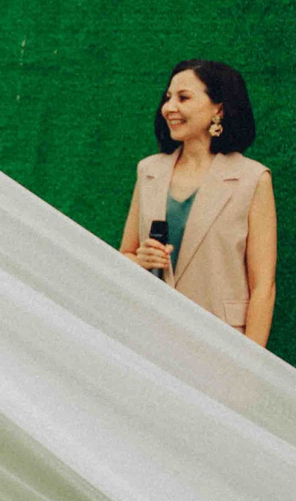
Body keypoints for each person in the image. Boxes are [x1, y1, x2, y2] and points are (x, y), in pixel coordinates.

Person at [118, 58, 277, 346]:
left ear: (219, 109)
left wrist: (250, 364)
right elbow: (125, 254)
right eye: (168, 98)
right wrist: (140, 260)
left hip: (220, 344)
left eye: (183, 98)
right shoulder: (149, 171)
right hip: (149, 337)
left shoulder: (253, 179)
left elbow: (263, 287)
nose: (169, 107)